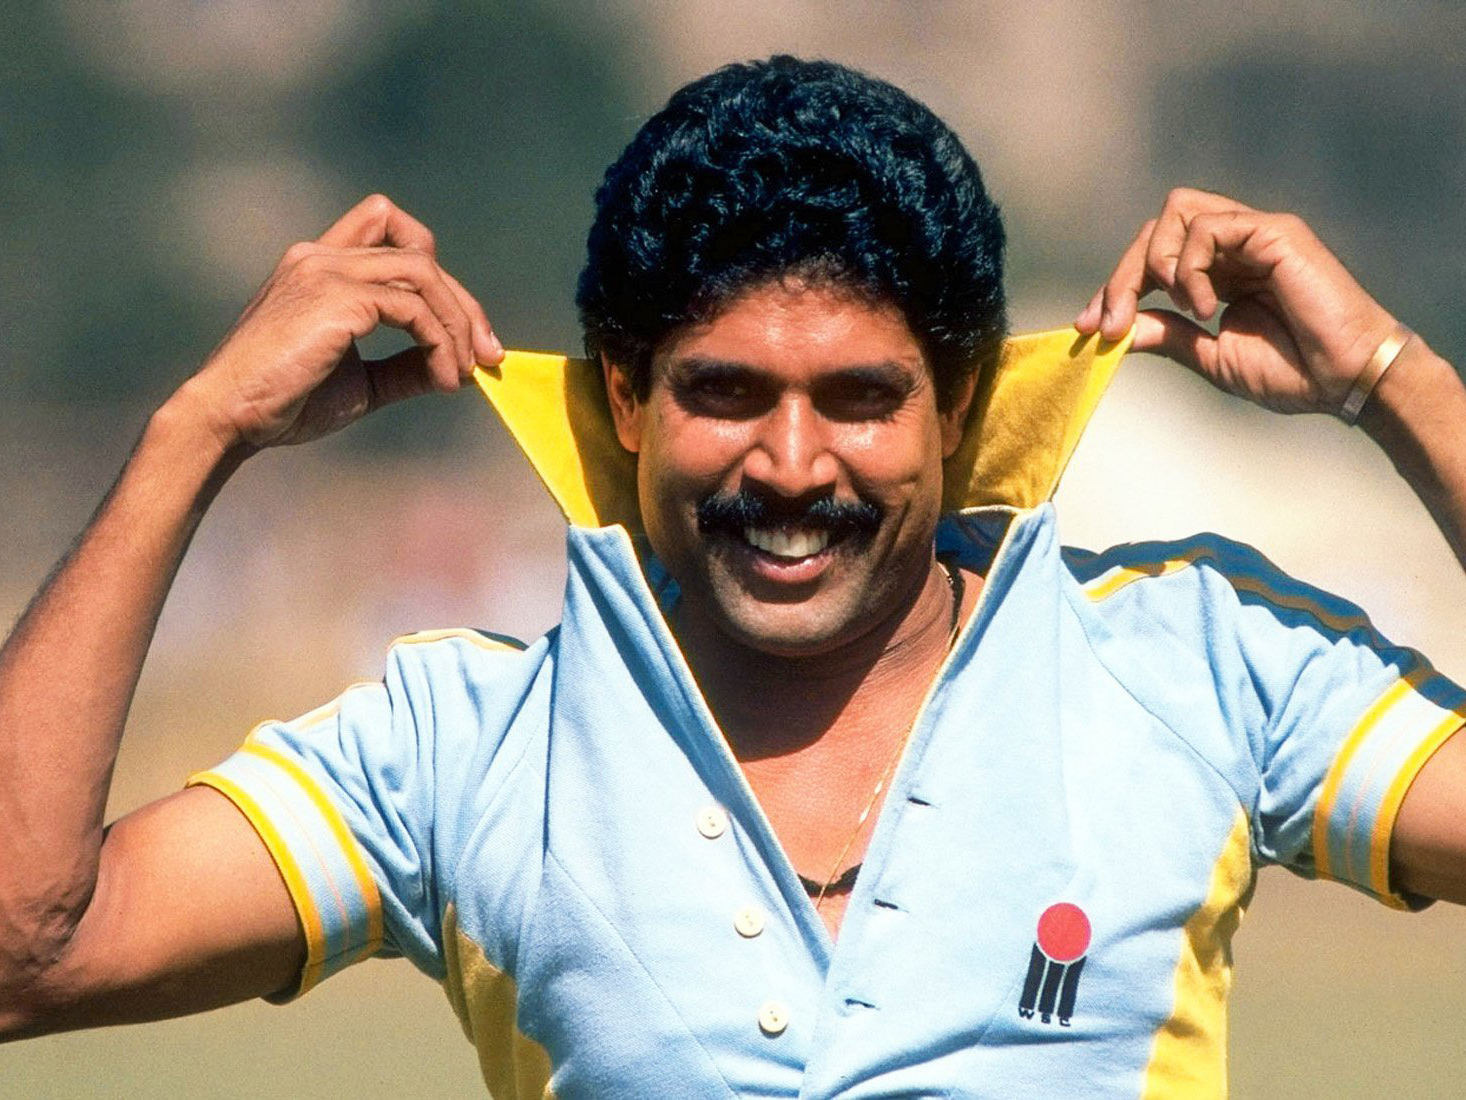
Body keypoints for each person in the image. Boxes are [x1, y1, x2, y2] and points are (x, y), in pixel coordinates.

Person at [2, 55, 1465, 1097]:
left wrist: (1392, 383)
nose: (791, 464)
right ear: (625, 399)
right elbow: (24, 953)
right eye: (724, 392)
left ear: (957, 405)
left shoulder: (1194, 661)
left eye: (859, 398)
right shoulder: (465, 749)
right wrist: (195, 435)